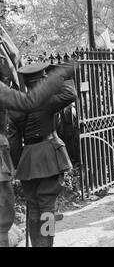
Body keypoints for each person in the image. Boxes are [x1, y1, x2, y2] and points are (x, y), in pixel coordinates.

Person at [0, 57, 72, 247]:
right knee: (47, 208)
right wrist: (58, 77)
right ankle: (46, 244)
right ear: (42, 80)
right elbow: (70, 93)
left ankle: (37, 244)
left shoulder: (17, 106)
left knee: (33, 208)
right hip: (49, 158)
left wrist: (19, 165)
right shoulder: (47, 101)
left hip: (28, 162)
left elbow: (14, 142)